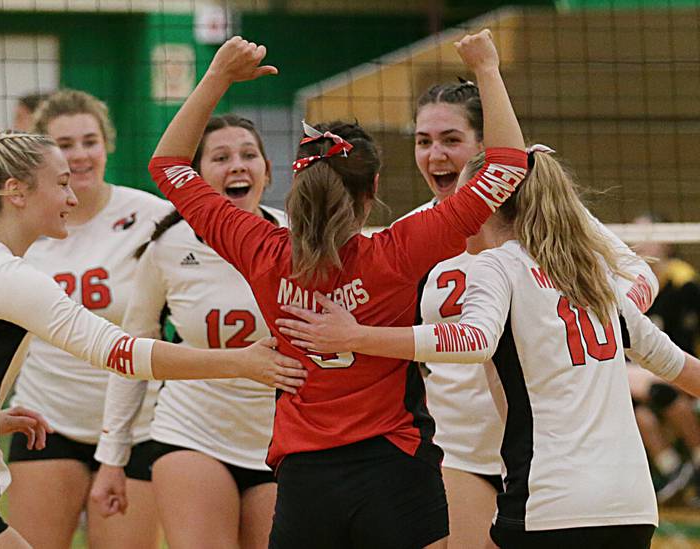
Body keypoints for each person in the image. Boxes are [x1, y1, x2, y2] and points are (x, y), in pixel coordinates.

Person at [149, 30, 527, 548]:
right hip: (395, 465)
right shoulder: (397, 253)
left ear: (295, 188)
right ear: (372, 190)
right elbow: (508, 164)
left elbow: (168, 166)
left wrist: (216, 77)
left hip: (306, 476)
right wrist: (486, 68)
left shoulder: (261, 251)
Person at [0, 121, 305, 549]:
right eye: (60, 184)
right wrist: (239, 362)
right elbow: (119, 352)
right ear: (17, 192)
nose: (72, 198)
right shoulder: (7, 278)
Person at [277, 152, 700, 549]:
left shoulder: (498, 264)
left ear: (490, 204)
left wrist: (356, 336)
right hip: (632, 505)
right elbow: (683, 369)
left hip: (551, 501)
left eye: (469, 200)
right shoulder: (592, 278)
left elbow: (474, 339)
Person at [403, 80, 658, 547]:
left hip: (555, 450)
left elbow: (641, 277)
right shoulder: (409, 235)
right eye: (424, 141)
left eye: (451, 140)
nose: (435, 154)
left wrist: (601, 320)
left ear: (485, 146)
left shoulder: (550, 223)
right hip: (464, 448)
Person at [89, 114, 287, 549]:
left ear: (267, 170)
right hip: (192, 431)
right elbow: (131, 353)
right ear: (196, 179)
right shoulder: (168, 248)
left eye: (248, 155)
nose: (237, 165)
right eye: (221, 157)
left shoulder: (297, 239)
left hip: (283, 440)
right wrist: (112, 459)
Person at [6, 89, 167, 549]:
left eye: (89, 141)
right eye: (65, 145)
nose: (79, 155)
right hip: (47, 420)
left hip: (137, 427)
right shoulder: (26, 227)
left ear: (107, 144)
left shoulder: (151, 217)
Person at [628, 213, 700, 503]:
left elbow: (685, 351)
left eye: (648, 236)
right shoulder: (629, 284)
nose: (639, 243)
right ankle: (674, 472)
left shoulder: (684, 284)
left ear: (667, 241)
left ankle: (696, 463)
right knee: (640, 414)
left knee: (669, 396)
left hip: (683, 372)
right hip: (643, 379)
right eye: (634, 236)